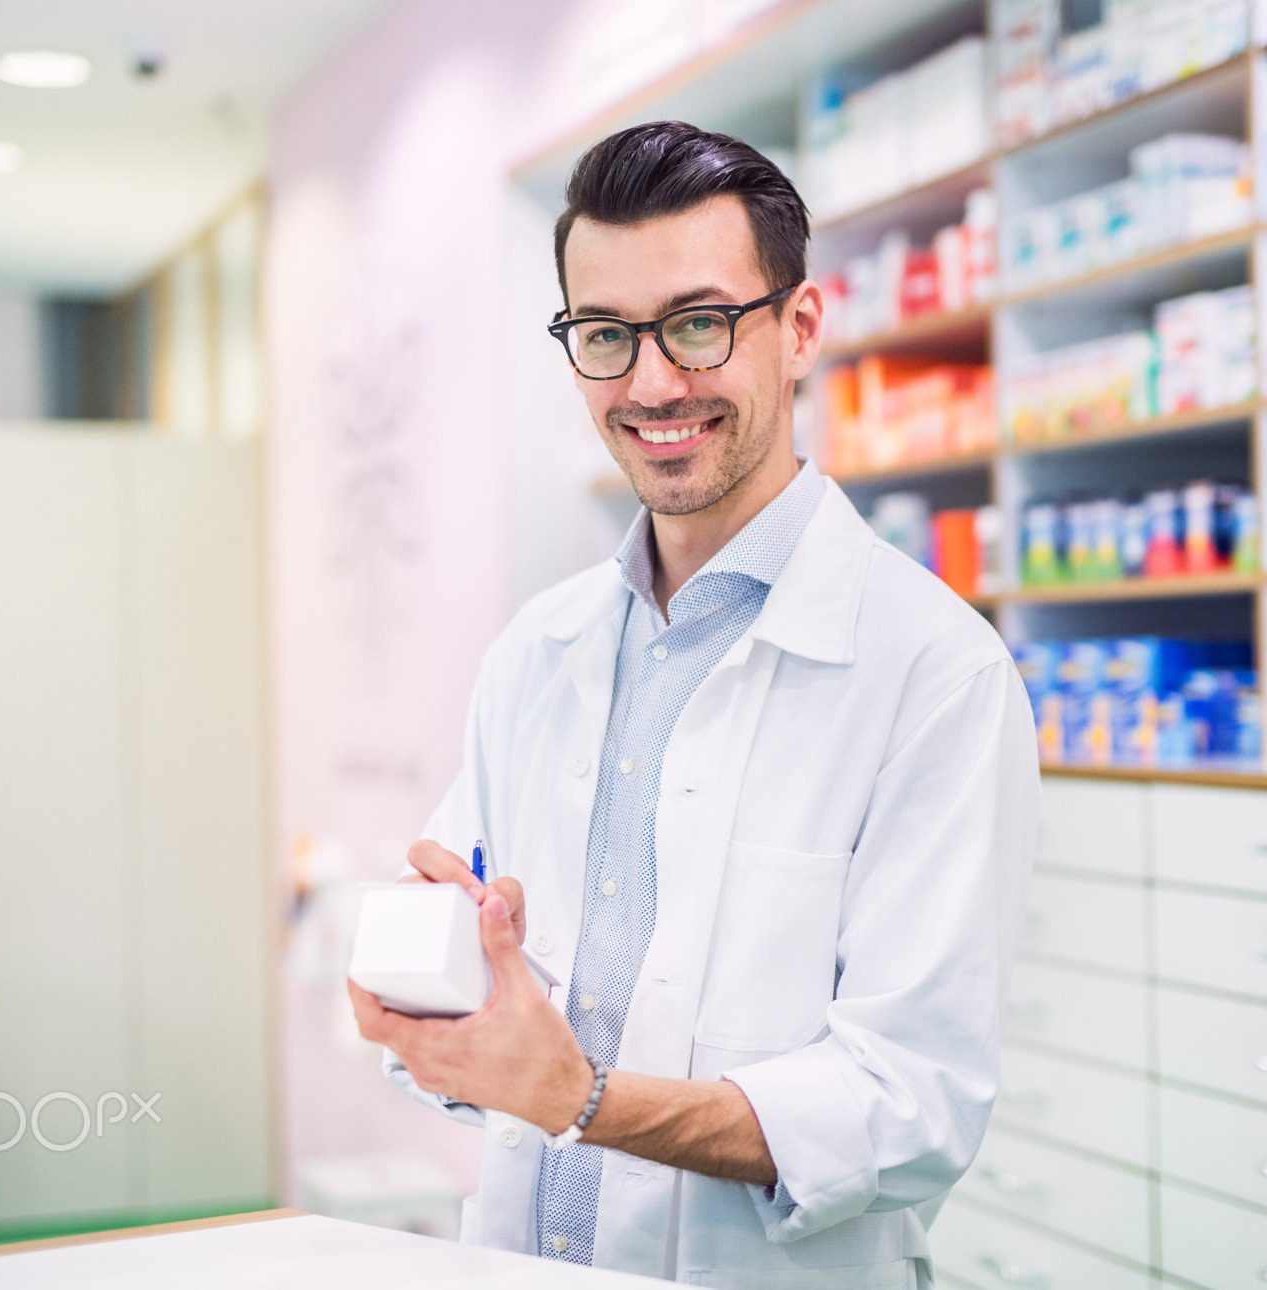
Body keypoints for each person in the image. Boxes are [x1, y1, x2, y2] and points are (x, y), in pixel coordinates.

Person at [347, 120, 1038, 1288]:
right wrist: (433, 1015)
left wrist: (582, 1100)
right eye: (606, 336)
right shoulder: (535, 653)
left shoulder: (934, 673)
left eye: (700, 323)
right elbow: (475, 1005)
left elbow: (910, 1109)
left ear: (799, 328)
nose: (652, 384)